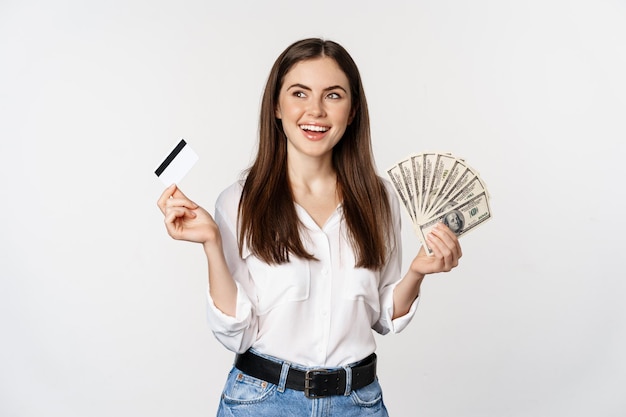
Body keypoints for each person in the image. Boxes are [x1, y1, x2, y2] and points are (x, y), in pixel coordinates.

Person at [157, 38, 462, 416]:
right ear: (276, 106)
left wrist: (418, 271)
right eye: (299, 93)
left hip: (359, 403)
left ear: (352, 111)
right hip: (262, 403)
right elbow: (236, 332)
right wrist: (211, 244)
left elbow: (383, 317)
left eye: (333, 95)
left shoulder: (379, 198)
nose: (315, 111)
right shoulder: (238, 201)